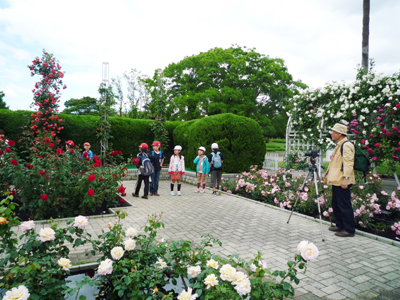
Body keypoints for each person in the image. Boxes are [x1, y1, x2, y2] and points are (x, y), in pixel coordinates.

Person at [324, 123, 356, 237]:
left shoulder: (346, 145)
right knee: (336, 204)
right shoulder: (339, 144)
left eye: (333, 131)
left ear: (339, 133)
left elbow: (349, 163)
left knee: (344, 204)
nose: (331, 133)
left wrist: (346, 179)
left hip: (343, 180)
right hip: (337, 180)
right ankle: (340, 225)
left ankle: (349, 229)